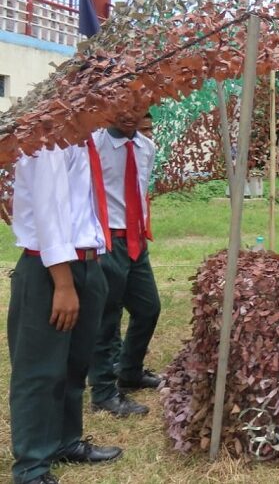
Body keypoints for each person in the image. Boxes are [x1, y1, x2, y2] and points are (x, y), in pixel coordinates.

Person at [8, 143, 122, 484]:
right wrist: (63, 283)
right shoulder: (48, 143)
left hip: (87, 263)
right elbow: (48, 214)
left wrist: (91, 271)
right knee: (40, 370)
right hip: (51, 270)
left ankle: (65, 442)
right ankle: (31, 467)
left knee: (75, 363)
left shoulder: (85, 140)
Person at [88, 108, 162, 417]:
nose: (127, 113)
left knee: (148, 308)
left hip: (136, 242)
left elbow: (140, 191)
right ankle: (103, 391)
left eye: (136, 106)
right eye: (119, 105)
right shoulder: (93, 144)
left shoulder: (147, 147)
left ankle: (130, 371)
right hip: (107, 242)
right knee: (107, 317)